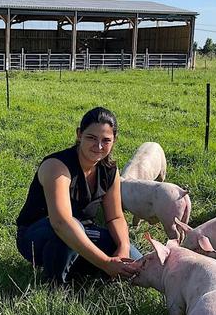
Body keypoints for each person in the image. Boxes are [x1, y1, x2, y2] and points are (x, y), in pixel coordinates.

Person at [16, 107, 142, 284]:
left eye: (106, 140)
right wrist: (106, 263)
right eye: (91, 137)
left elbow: (115, 216)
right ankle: (55, 284)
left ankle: (82, 268)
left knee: (135, 261)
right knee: (72, 228)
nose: (98, 146)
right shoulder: (57, 167)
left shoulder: (109, 171)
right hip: (38, 234)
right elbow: (61, 222)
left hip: (84, 231)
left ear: (114, 141)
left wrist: (123, 247)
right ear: (79, 134)